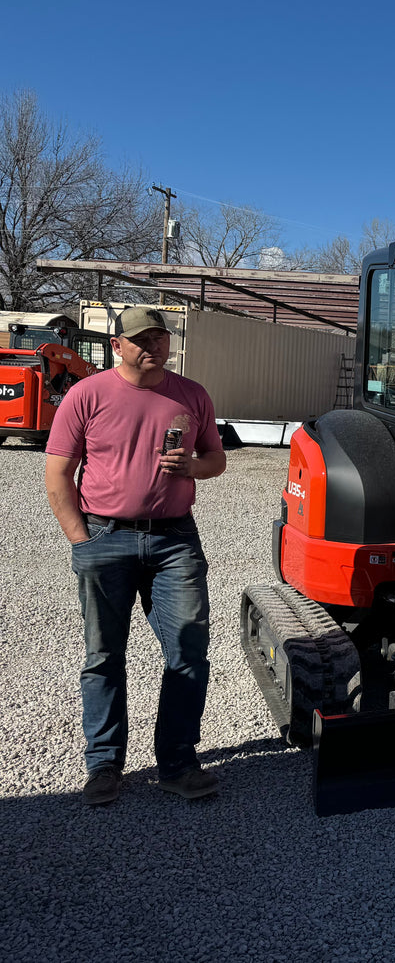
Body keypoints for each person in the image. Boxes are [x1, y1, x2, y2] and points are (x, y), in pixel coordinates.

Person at [44, 306, 227, 806]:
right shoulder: (87, 395)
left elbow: (216, 459)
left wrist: (195, 466)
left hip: (175, 542)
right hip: (106, 538)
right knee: (103, 656)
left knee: (188, 652)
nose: (153, 347)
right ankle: (104, 765)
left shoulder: (192, 395)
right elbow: (59, 472)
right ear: (117, 346)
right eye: (141, 339)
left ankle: (176, 762)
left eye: (160, 338)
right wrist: (81, 540)